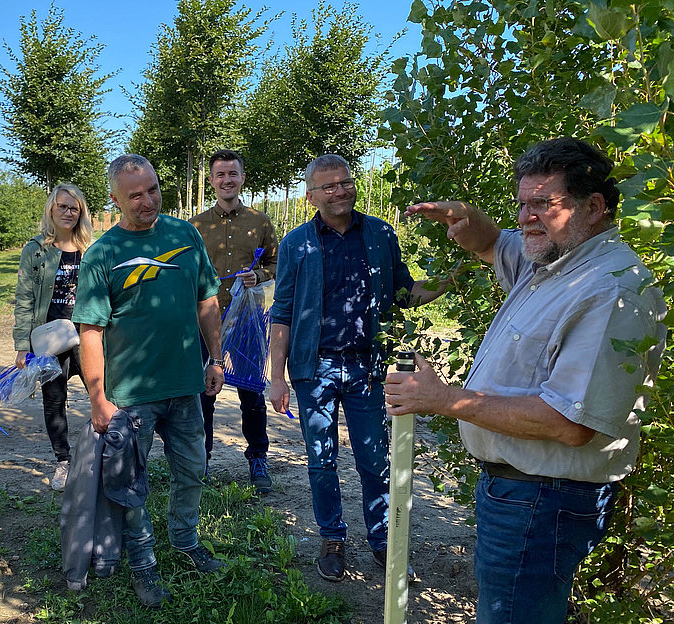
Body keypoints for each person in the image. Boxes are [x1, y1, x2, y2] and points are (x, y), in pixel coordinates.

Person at [385, 137, 667, 623]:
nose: (525, 216)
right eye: (521, 203)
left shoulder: (609, 289)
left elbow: (571, 423)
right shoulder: (555, 261)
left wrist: (443, 399)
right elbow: (495, 244)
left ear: (594, 206)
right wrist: (468, 222)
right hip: (521, 495)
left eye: (542, 203)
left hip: (543, 500)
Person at [268, 154, 445, 582]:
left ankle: (383, 542)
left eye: (345, 182)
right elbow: (283, 311)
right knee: (321, 460)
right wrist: (276, 377)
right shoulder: (297, 243)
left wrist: (454, 277)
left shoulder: (381, 234)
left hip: (368, 366)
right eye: (328, 186)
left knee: (374, 458)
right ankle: (332, 538)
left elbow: (403, 293)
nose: (340, 191)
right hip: (315, 367)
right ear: (310, 196)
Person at [72, 154, 225, 609]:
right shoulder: (104, 254)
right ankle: (143, 565)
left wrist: (216, 358)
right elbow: (90, 332)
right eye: (134, 195)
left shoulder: (184, 235)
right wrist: (98, 398)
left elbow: (206, 300)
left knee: (193, 470)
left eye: (153, 189)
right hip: (130, 396)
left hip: (184, 387)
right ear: (115, 199)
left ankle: (186, 539)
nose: (147, 201)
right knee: (129, 486)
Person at [189, 149, 277, 491]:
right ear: (211, 181)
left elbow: (275, 263)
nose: (227, 180)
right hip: (204, 320)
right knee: (203, 392)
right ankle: (202, 459)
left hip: (247, 319)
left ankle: (258, 458)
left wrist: (260, 275)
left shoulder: (260, 222)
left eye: (233, 174)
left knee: (251, 394)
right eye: (220, 175)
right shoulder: (195, 226)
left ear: (242, 178)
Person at [13, 183, 93, 491]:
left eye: (74, 208)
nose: (68, 212)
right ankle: (64, 461)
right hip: (48, 338)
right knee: (54, 400)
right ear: (51, 209)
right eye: (62, 206)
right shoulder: (35, 250)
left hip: (86, 334)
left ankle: (108, 453)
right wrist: (22, 346)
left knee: (101, 392)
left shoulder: (90, 249)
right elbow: (24, 298)